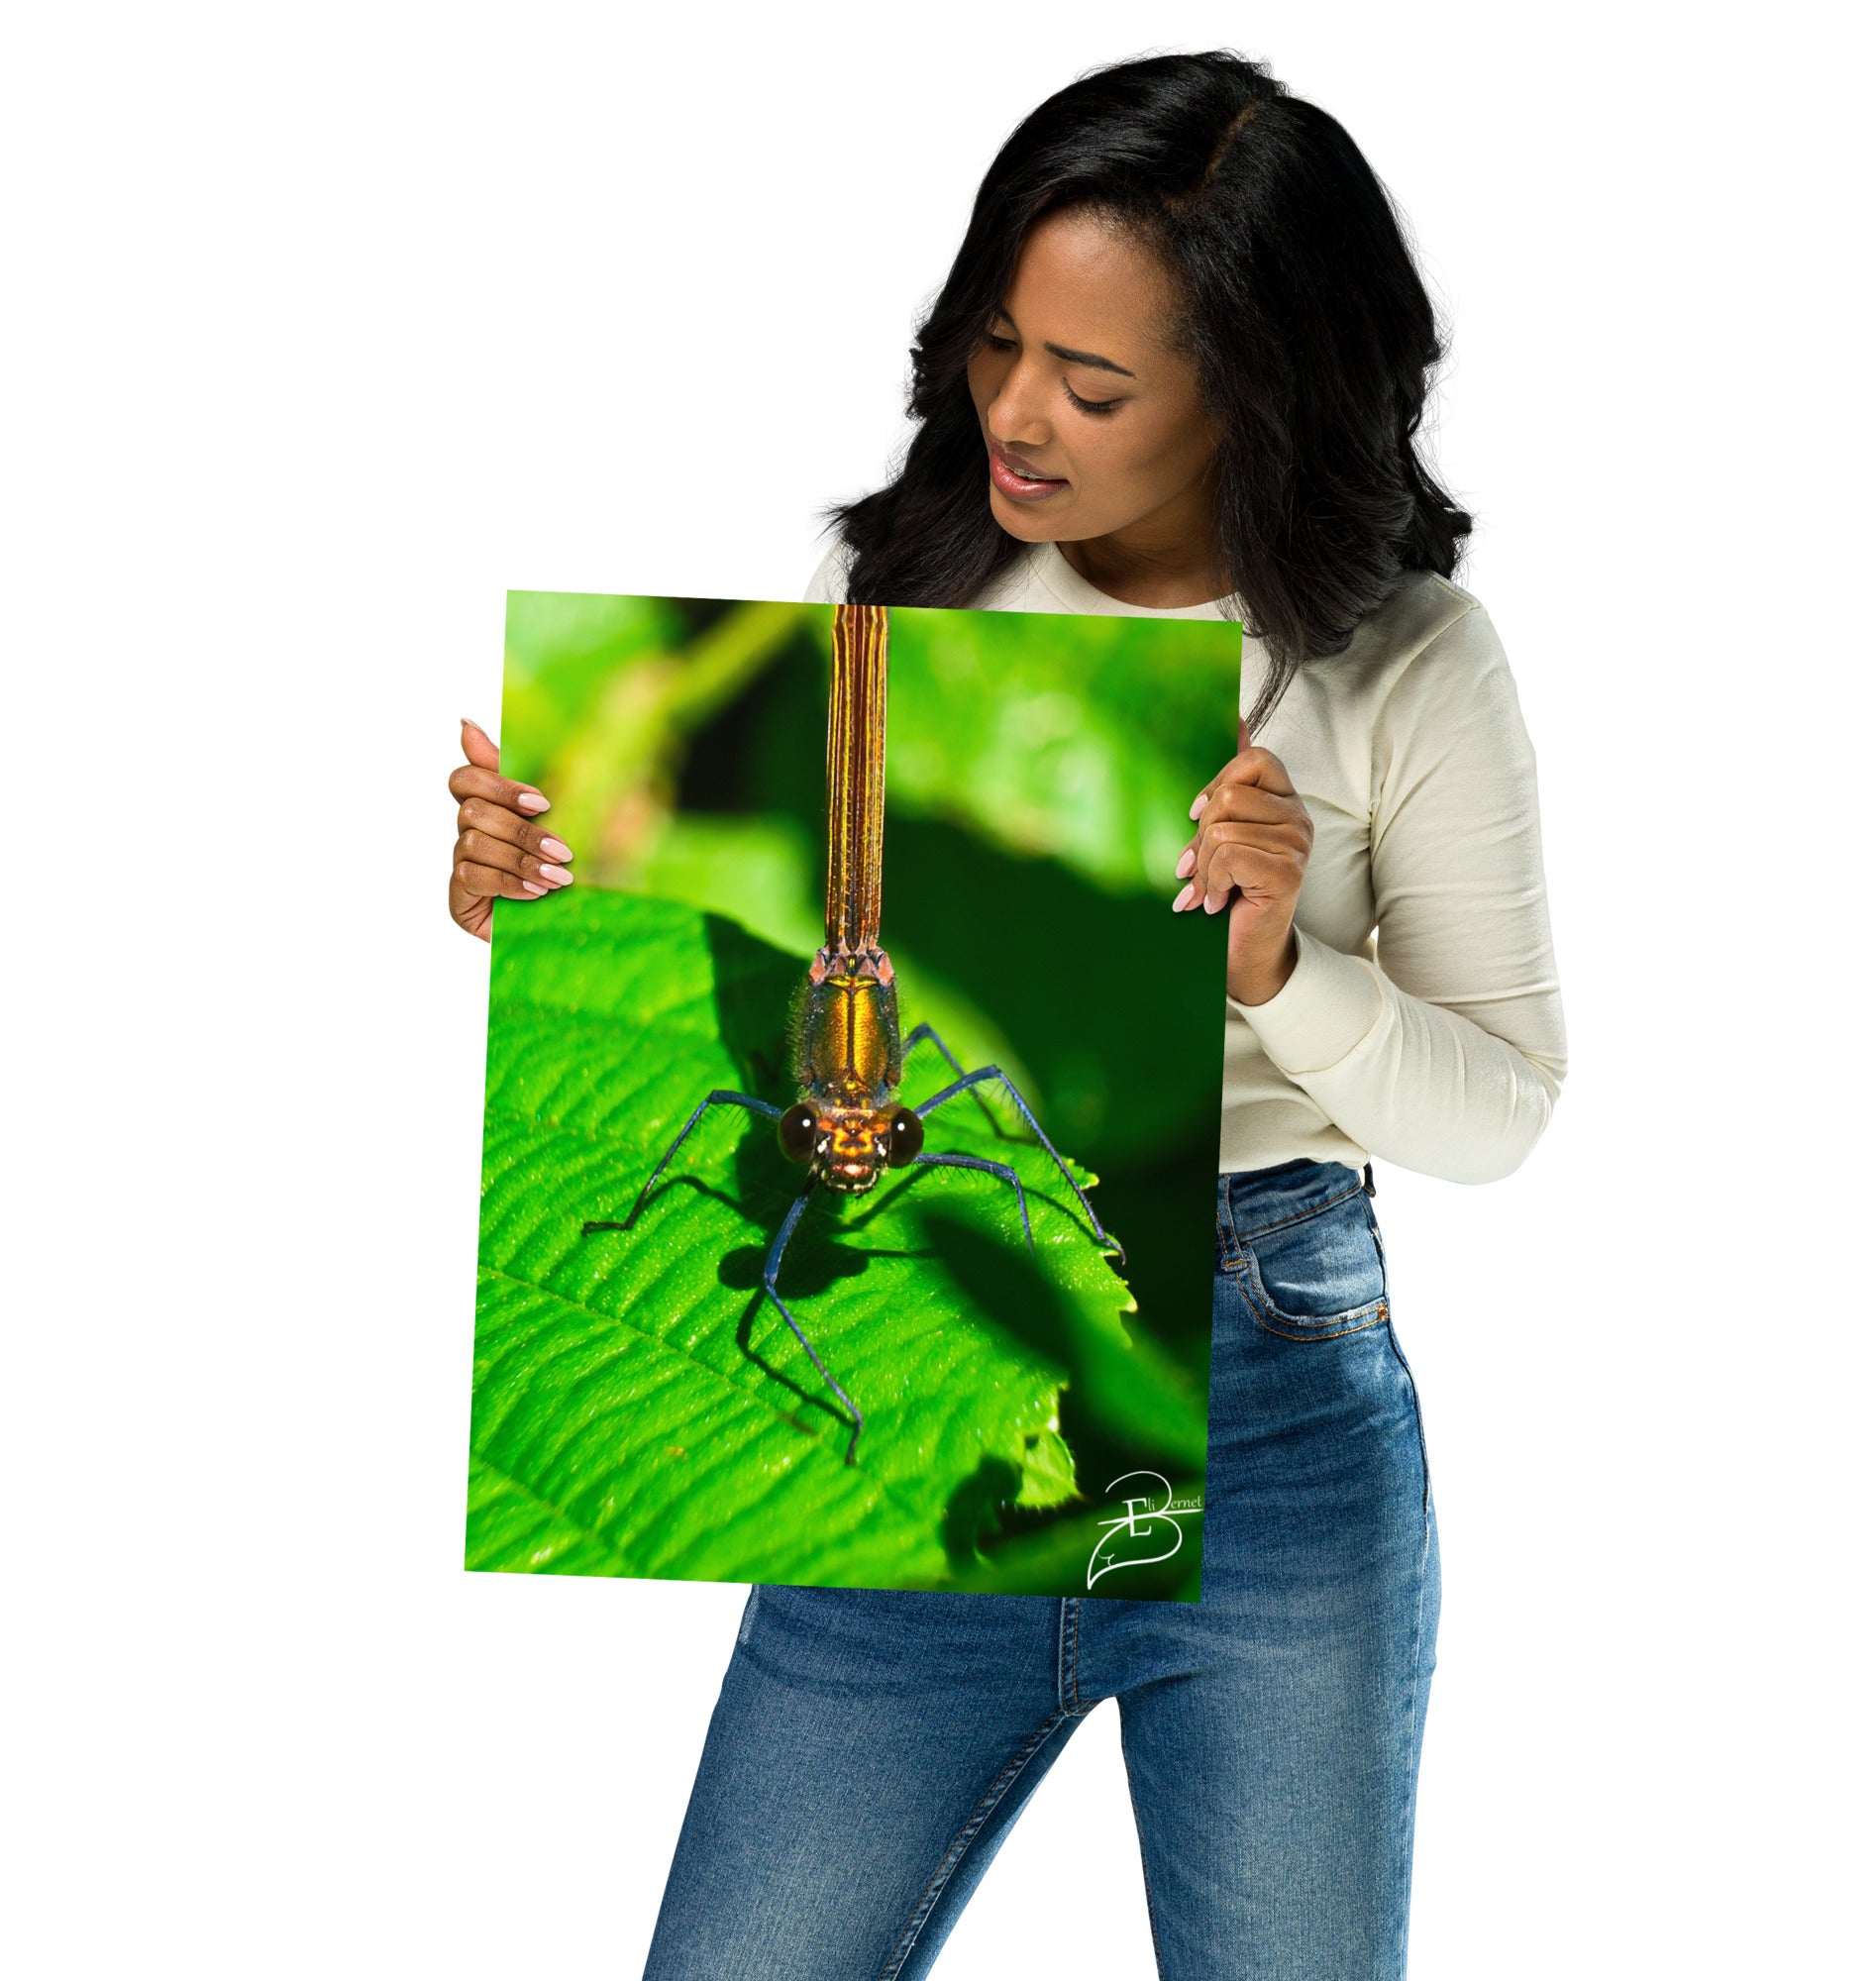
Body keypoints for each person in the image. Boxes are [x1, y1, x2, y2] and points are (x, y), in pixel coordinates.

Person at [448, 50, 1567, 1980]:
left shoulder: (1404, 663)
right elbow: (740, 951)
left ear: (1252, 393)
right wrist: (537, 905)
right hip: (910, 1411)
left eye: (1095, 380)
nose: (1016, 413)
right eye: (994, 345)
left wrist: (1279, 970)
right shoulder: (895, 590)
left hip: (1277, 1409)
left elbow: (1501, 1113)